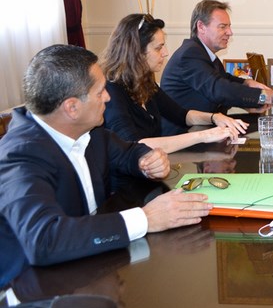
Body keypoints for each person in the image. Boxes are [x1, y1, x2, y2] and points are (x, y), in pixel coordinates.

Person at [0, 45, 213, 267]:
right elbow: (44, 239)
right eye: (100, 91)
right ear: (72, 107)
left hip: (94, 259)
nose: (108, 97)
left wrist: (146, 161)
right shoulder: (19, 157)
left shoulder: (90, 132)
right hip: (39, 280)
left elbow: (129, 152)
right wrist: (146, 218)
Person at [101, 13, 247, 154]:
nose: (165, 53)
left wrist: (214, 117)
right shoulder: (112, 90)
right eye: (158, 48)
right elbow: (134, 145)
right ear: (136, 52)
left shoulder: (145, 83)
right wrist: (203, 136)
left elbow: (182, 115)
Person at [160, 0, 273, 133]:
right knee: (267, 129)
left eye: (229, 26)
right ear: (201, 27)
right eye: (223, 27)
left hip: (206, 127)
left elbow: (224, 79)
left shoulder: (202, 52)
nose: (230, 32)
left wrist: (247, 83)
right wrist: (271, 96)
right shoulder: (190, 54)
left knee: (267, 125)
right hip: (184, 135)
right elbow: (219, 90)